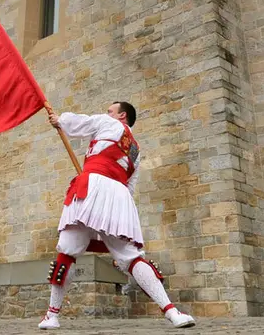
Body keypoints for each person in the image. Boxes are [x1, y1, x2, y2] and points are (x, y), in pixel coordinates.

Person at [38, 102, 196, 330]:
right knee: (131, 257)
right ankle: (172, 311)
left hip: (91, 185)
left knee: (67, 250)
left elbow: (83, 123)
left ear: (122, 115)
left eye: (111, 110)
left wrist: (60, 120)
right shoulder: (136, 150)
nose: (106, 113)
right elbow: (130, 185)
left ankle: (52, 315)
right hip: (119, 196)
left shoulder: (108, 123)